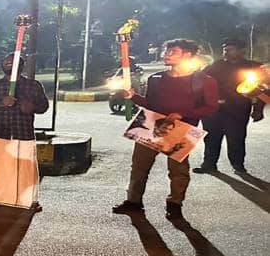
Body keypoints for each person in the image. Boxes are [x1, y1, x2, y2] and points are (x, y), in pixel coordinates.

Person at [113, 38, 218, 221]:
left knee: (178, 171)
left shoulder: (203, 81)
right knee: (139, 166)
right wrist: (133, 97)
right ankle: (133, 202)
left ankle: (175, 204)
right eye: (165, 51)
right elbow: (149, 104)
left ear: (187, 55)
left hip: (181, 129)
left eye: (172, 51)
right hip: (151, 125)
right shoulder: (156, 78)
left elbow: (211, 107)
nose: (166, 55)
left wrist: (182, 113)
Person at [0, 53, 49, 210]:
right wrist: (1, 103)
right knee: (0, 168)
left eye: (13, 61)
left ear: (22, 66)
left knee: (26, 168)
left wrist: (32, 107)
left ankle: (29, 200)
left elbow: (43, 107)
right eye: (6, 62)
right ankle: (1, 197)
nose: (9, 64)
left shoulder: (33, 85)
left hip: (23, 131)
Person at [194, 38, 265, 175]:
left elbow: (262, 91)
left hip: (237, 110)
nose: (226, 52)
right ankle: (209, 164)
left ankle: (238, 165)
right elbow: (199, 84)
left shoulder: (254, 67)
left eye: (230, 49)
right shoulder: (216, 66)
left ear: (242, 50)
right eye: (224, 49)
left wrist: (258, 109)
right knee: (211, 138)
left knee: (236, 138)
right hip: (213, 110)